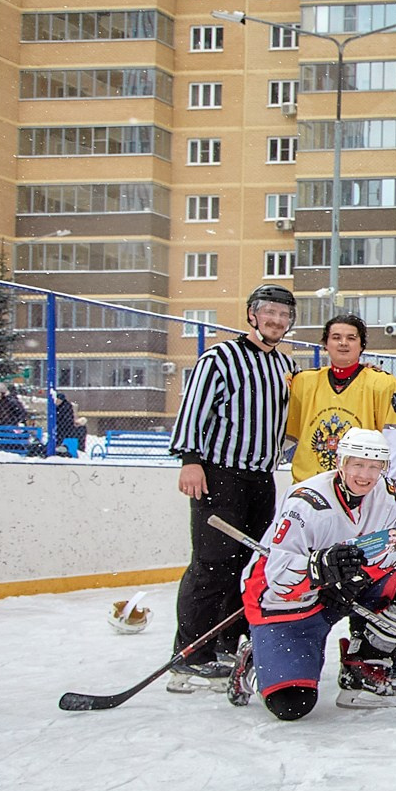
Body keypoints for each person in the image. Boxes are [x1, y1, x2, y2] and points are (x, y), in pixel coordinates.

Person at [240, 428, 396, 719]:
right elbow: (277, 576)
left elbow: (394, 548)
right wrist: (320, 570)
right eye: (358, 464)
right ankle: (255, 659)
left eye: (374, 466)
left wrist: (356, 579)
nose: (365, 475)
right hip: (285, 600)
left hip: (343, 590)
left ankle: (364, 660)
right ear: (340, 463)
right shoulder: (306, 502)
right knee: (291, 704)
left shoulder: (389, 494)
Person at [167, 284, 298, 686]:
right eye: (269, 313)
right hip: (220, 474)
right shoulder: (220, 358)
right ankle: (189, 653)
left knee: (250, 565)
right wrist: (190, 461)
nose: (276, 320)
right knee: (212, 564)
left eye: (284, 315)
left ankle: (225, 642)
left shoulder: (282, 366)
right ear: (252, 315)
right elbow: (194, 410)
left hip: (261, 478)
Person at [285, 312, 396, 483]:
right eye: (336, 337)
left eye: (351, 338)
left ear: (362, 345)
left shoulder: (383, 384)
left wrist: (393, 486)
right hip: (309, 487)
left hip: (360, 487)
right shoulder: (302, 382)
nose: (343, 343)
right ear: (325, 344)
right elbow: (286, 436)